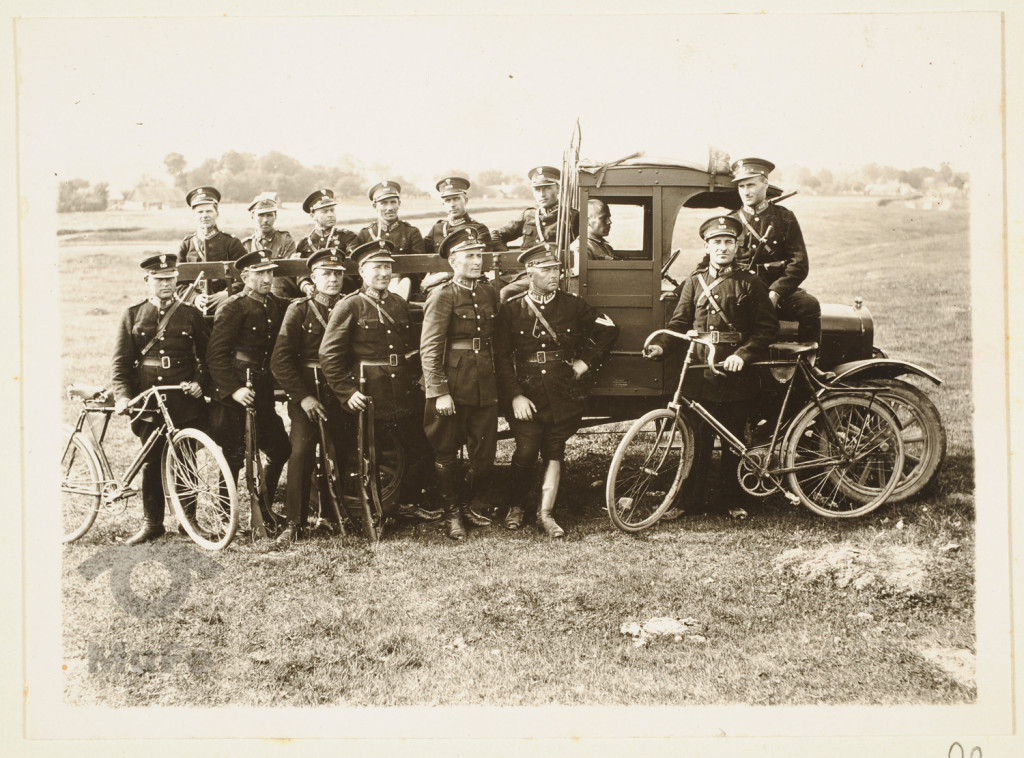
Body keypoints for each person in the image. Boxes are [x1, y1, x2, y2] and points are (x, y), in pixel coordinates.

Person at [644, 215, 779, 514]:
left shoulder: (751, 283)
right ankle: (688, 502)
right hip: (699, 371)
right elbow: (679, 322)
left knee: (733, 439)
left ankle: (732, 500)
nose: (722, 248)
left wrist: (742, 356)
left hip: (734, 374)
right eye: (716, 242)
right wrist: (661, 346)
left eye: (728, 242)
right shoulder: (694, 282)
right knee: (696, 441)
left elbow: (766, 329)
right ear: (706, 246)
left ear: (736, 246)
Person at [494, 242, 619, 537]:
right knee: (525, 451)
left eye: (556, 270)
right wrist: (515, 396)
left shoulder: (572, 305)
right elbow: (500, 357)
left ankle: (545, 513)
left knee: (555, 450)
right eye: (547, 270)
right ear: (529, 273)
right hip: (527, 393)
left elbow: (608, 330)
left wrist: (584, 363)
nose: (554, 275)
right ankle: (516, 506)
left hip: (562, 390)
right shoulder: (512, 310)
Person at [318, 239, 439, 524]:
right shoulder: (350, 305)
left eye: (388, 267)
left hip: (401, 392)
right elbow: (329, 354)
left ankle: (405, 503)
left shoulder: (398, 303)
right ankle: (367, 509)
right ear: (362, 271)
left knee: (420, 450)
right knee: (366, 455)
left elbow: (409, 348)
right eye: (377, 267)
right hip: (369, 394)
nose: (384, 273)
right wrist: (347, 392)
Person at [111, 253, 209, 544]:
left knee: (186, 459)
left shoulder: (191, 314)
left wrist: (199, 383)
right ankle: (152, 523)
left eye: (170, 278)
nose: (166, 284)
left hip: (184, 398)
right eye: (159, 279)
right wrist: (123, 397)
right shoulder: (132, 314)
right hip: (149, 400)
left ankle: (188, 522)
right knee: (152, 462)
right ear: (147, 281)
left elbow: (208, 358)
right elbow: (120, 363)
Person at [419, 226, 501, 541]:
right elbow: (430, 348)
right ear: (453, 261)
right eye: (470, 256)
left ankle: (472, 504)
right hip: (452, 384)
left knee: (483, 454)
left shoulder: (487, 291)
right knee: (446, 453)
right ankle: (452, 513)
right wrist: (439, 391)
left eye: (479, 255)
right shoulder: (442, 295)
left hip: (484, 381)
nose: (477, 261)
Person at [270, 248, 352, 545]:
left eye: (338, 274)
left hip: (339, 392)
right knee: (301, 452)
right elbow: (280, 360)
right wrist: (303, 397)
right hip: (307, 392)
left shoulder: (349, 305)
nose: (333, 279)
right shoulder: (299, 309)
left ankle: (330, 515)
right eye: (327, 274)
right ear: (313, 278)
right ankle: (295, 522)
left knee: (341, 452)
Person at [206, 250, 291, 522]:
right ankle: (224, 514)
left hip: (262, 387)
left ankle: (263, 506)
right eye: (260, 274)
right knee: (233, 454)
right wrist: (233, 389)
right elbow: (216, 355)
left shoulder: (276, 305)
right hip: (235, 391)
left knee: (280, 448)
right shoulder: (233, 306)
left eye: (270, 272)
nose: (268, 278)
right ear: (245, 277)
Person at [729, 157, 820, 344]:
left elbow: (799, 263)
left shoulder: (784, 217)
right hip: (742, 291)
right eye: (741, 187)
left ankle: (808, 363)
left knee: (809, 305)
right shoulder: (732, 221)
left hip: (776, 291)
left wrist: (776, 292)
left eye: (751, 185)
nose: (746, 192)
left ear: (765, 184)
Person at [492, 166, 579, 301]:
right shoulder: (528, 215)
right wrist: (508, 266)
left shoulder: (571, 216)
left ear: (558, 189)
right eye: (537, 189)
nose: (542, 194)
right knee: (487, 289)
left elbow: (581, 245)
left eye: (547, 188)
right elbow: (496, 235)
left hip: (550, 275)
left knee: (506, 293)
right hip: (521, 274)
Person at [422, 176, 495, 294]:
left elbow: (479, 263)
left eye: (456, 199)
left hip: (470, 284)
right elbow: (421, 256)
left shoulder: (478, 229)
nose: (452, 204)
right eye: (447, 200)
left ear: (465, 201)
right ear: (443, 204)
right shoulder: (437, 228)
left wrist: (440, 276)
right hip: (437, 286)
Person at [178, 186, 246, 312]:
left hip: (228, 305)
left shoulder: (231, 242)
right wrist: (195, 298)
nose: (205, 216)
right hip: (194, 307)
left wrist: (227, 294)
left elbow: (246, 276)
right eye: (200, 212)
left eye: (209, 211)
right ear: (193, 215)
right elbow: (178, 283)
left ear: (217, 213)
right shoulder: (186, 245)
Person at [355, 180, 426, 299]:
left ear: (399, 203)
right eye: (384, 203)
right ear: (375, 206)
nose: (390, 208)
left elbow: (420, 269)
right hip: (371, 290)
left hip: (405, 290)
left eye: (393, 202)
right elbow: (358, 270)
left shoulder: (411, 232)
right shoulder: (365, 234)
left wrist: (397, 279)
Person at [294, 188, 360, 298]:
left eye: (332, 210)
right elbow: (300, 272)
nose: (330, 215)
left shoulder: (348, 237)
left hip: (343, 291)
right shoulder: (304, 243)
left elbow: (352, 265)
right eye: (324, 211)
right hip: (313, 294)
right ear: (312, 216)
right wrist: (305, 286)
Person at [241, 193, 297, 300]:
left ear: (275, 216)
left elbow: (288, 272)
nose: (265, 220)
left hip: (280, 291)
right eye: (261, 215)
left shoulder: (285, 240)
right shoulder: (246, 244)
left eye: (269, 215)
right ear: (252, 216)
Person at [569, 198, 618, 263]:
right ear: (586, 221)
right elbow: (581, 272)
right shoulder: (579, 248)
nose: (609, 222)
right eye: (603, 218)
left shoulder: (606, 247)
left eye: (609, 217)